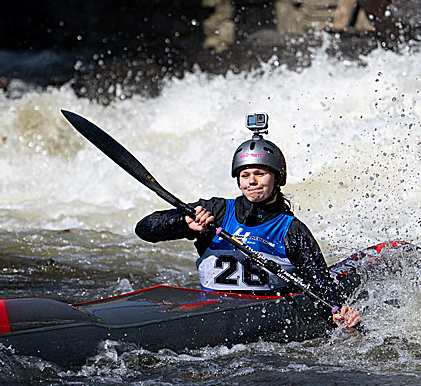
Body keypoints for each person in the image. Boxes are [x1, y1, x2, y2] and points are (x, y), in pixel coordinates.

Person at [135, 116, 361, 330]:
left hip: (266, 319)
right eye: (245, 175)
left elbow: (320, 282)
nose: (251, 181)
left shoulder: (291, 230)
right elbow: (145, 229)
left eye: (260, 173)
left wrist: (339, 312)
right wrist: (182, 222)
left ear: (277, 178)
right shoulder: (217, 212)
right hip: (212, 314)